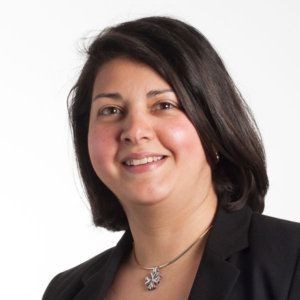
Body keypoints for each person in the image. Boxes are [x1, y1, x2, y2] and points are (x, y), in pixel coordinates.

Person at [43, 16, 300, 299]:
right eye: (111, 110)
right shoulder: (64, 292)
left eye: (164, 105)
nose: (135, 131)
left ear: (214, 125)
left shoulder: (292, 260)